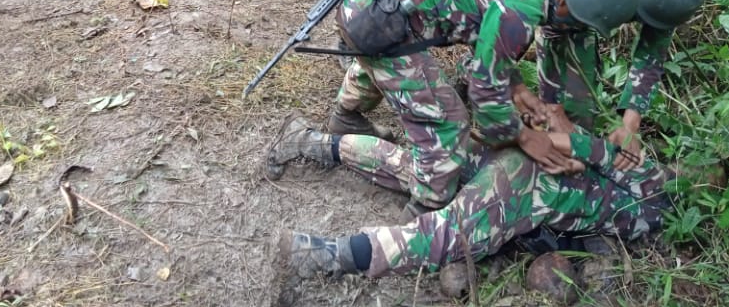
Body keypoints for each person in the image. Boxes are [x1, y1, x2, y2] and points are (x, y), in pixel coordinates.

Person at [326, 0, 639, 217]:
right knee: (449, 122)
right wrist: (526, 138)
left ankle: (346, 116)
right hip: (380, 22)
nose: (574, 31)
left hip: (373, 3)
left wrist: (515, 87)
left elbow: (482, 30)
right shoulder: (519, 15)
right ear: (565, 5)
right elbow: (484, 91)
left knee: (379, 63)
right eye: (578, 23)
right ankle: (426, 207)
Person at [268, 116, 672, 293]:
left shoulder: (651, 198)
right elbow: (589, 146)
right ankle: (325, 256)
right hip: (524, 187)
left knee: (412, 168)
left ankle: (309, 141)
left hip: (516, 168)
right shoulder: (653, 191)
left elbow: (586, 148)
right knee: (445, 235)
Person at [538, 0, 709, 168]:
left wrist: (630, 126)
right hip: (571, 13)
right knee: (567, 106)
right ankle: (558, 152)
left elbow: (650, 58)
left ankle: (583, 152)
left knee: (582, 110)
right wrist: (553, 108)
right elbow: (553, 37)